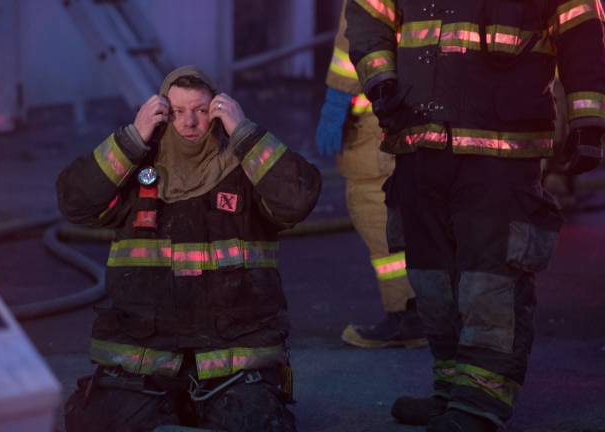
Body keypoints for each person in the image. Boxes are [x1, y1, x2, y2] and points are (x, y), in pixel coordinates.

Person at [344, 1, 605, 431]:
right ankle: (451, 389)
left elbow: (581, 31)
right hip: (418, 139)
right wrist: (381, 82)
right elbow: (368, 13)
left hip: (501, 148)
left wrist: (588, 119)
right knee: (432, 276)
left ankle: (481, 401)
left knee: (492, 276)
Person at [58, 65, 321, 432]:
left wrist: (244, 132)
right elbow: (74, 201)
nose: (189, 123)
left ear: (217, 112)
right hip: (145, 357)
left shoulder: (245, 170)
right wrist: (132, 137)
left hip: (231, 359)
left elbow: (298, 198)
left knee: (258, 424)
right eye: (177, 112)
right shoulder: (135, 172)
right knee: (97, 423)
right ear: (161, 114)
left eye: (200, 110)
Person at [315, 0, 425, 349]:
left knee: (376, 210)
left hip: (378, 119)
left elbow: (357, 43)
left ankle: (409, 313)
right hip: (418, 114)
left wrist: (337, 97)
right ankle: (433, 311)